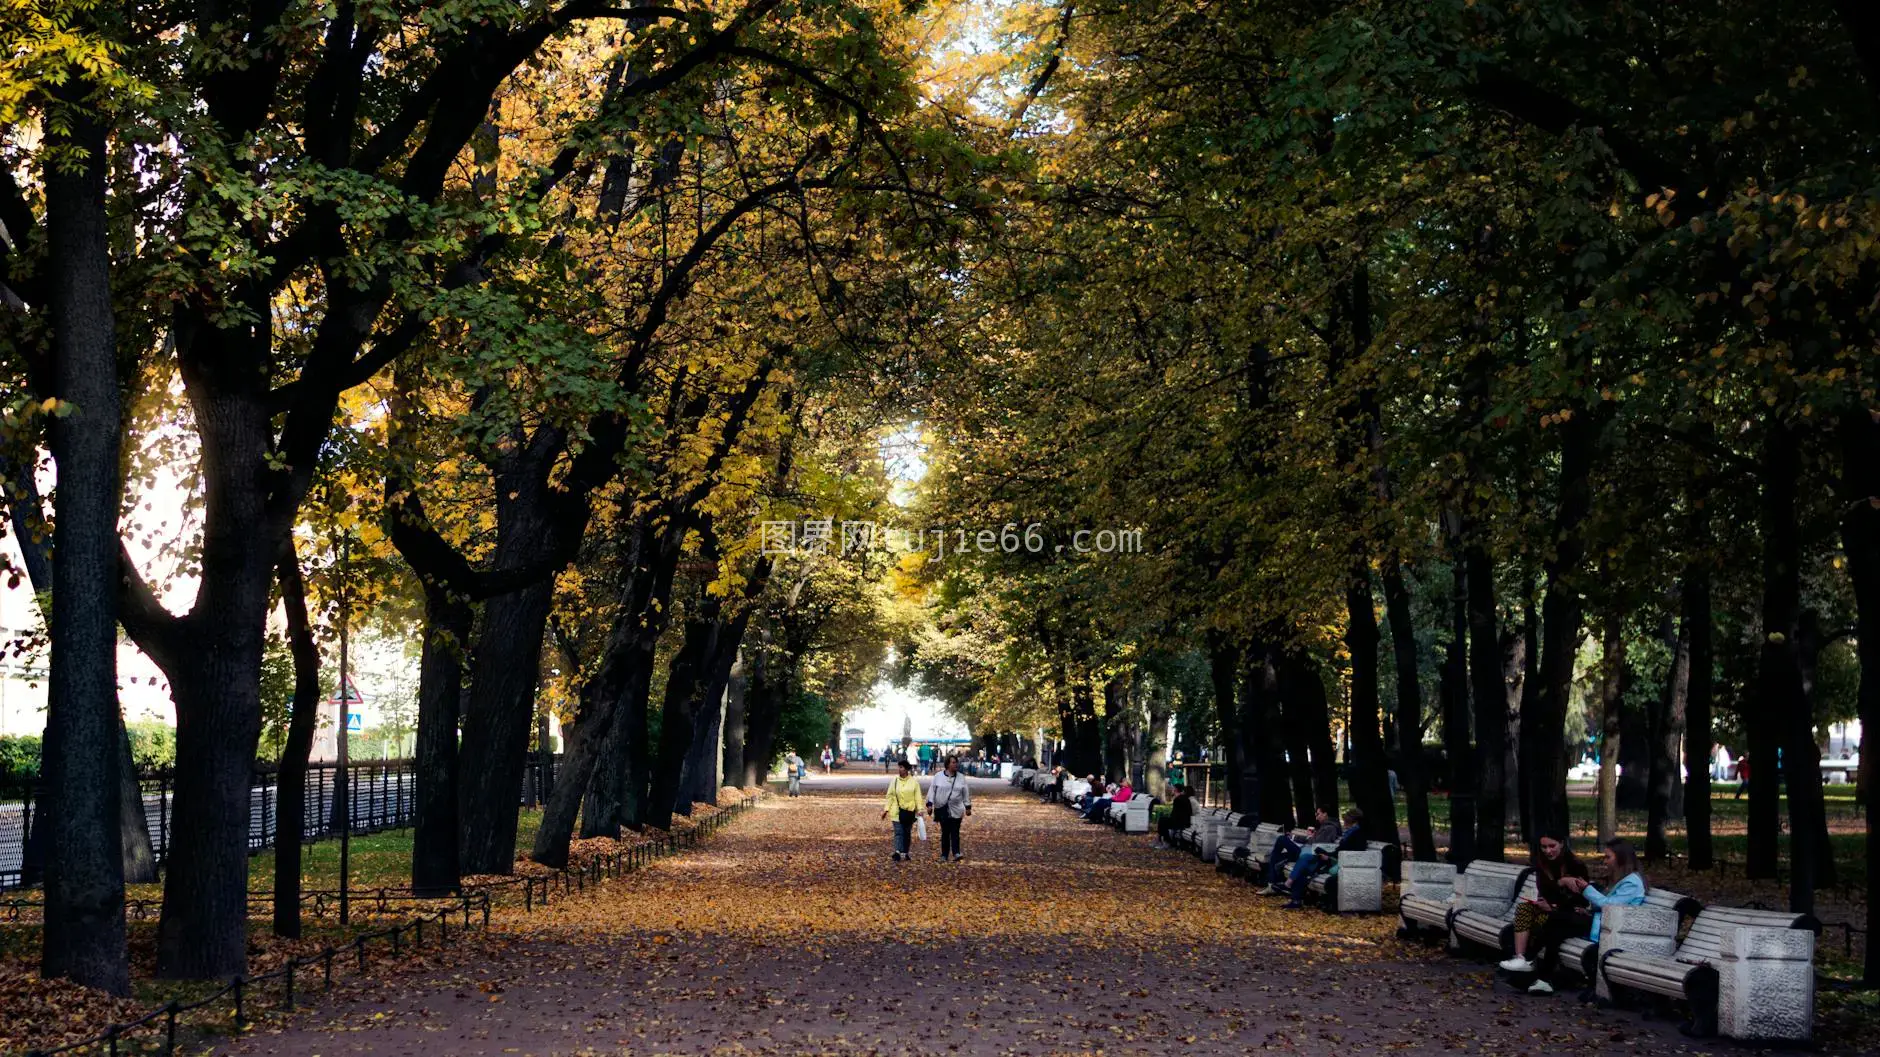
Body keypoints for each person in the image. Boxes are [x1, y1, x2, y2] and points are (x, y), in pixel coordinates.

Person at [1496, 833, 1591, 994]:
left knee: (1549, 925)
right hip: (1550, 910)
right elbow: (1545, 890)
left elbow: (1580, 900)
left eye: (1552, 846)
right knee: (1525, 909)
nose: (1548, 851)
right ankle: (1520, 958)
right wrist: (1561, 882)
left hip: (1567, 914)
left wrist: (1555, 905)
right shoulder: (1542, 864)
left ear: (1561, 843)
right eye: (1544, 847)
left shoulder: (1576, 865)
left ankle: (1529, 966)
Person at [1279, 808, 1364, 909]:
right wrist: (1327, 854)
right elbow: (1339, 850)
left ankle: (1290, 887)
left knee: (1305, 861)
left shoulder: (1357, 834)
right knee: (1305, 866)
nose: (1344, 822)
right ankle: (1295, 899)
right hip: (1333, 859)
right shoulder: (1350, 833)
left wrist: (1329, 858)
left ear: (1351, 821)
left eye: (1345, 820)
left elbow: (1352, 854)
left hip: (1339, 863)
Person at [1259, 807, 1341, 893]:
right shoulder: (1325, 827)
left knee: (1281, 839)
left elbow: (1318, 845)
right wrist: (1295, 837)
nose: (1317, 817)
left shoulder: (1329, 828)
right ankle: (1272, 884)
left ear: (1325, 814)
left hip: (1307, 854)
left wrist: (1311, 837)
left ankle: (1271, 884)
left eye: (1318, 814)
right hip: (1305, 851)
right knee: (1276, 856)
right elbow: (1313, 840)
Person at [927, 755, 973, 862]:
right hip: (942, 808)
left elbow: (965, 793)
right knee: (945, 832)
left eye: (956, 762)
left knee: (955, 831)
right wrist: (930, 804)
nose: (955, 764)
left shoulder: (961, 777)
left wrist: (968, 807)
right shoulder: (938, 776)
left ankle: (956, 853)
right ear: (947, 764)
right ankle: (944, 855)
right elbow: (932, 790)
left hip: (957, 808)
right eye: (953, 762)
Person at [882, 759, 924, 861]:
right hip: (896, 811)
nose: (899, 769)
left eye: (901, 767)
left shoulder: (914, 782)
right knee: (898, 832)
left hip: (909, 812)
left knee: (906, 832)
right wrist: (886, 809)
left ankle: (905, 852)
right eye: (899, 767)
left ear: (906, 769)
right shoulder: (895, 781)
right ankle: (897, 852)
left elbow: (918, 797)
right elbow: (890, 796)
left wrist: (920, 809)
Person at [1153, 782, 1193, 850]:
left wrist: (1170, 818)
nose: (1172, 790)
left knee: (1163, 822)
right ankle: (1160, 840)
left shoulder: (1178, 799)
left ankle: (1166, 842)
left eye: (1173, 789)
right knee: (1162, 820)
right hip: (1185, 821)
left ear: (1175, 790)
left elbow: (1175, 814)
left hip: (1181, 822)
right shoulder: (1185, 798)